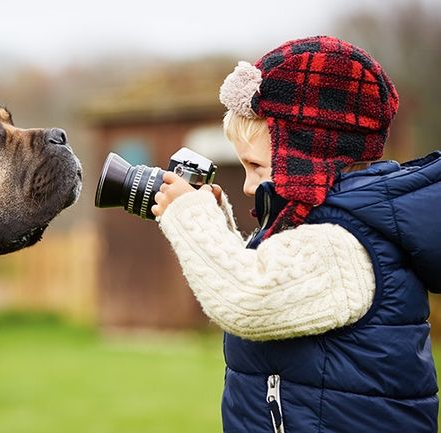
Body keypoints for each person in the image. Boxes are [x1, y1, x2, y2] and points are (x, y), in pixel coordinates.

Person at [151, 35, 441, 433]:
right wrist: (217, 224)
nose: (250, 187)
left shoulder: (343, 244)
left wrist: (190, 215)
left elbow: (249, 299)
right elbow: (270, 278)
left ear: (306, 157)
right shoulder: (325, 225)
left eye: (258, 167)